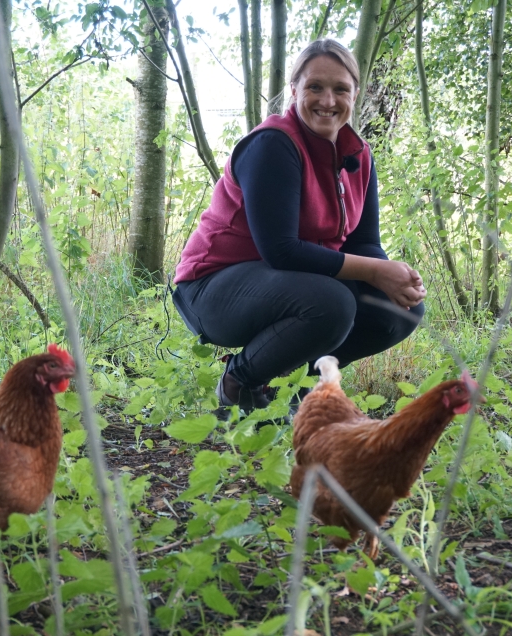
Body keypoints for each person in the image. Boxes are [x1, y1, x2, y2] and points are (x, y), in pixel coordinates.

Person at [172, 39, 426, 413]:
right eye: (315, 87)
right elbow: (282, 250)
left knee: (397, 308)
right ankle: (239, 382)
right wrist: (374, 270)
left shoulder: (358, 155)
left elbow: (364, 241)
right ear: (293, 90)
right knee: (331, 303)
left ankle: (292, 387)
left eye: (341, 88)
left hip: (287, 285)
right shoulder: (273, 145)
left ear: (356, 93)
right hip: (212, 290)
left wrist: (391, 276)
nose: (328, 100)